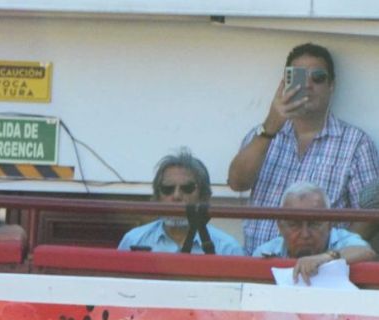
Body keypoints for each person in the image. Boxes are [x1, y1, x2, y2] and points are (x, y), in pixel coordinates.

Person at [227, 42, 379, 254]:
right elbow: (237, 182)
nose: (307, 85)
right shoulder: (261, 134)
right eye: (298, 77)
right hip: (260, 263)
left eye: (317, 78)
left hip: (322, 273)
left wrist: (333, 256)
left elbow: (371, 214)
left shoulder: (357, 143)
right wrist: (270, 126)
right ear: (285, 84)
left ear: (331, 86)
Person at [118, 150, 245, 255]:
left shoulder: (227, 249)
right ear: (157, 198)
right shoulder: (134, 240)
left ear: (203, 197)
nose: (177, 196)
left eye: (187, 189)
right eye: (167, 189)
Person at [252, 180, 377, 283]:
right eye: (294, 225)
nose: (305, 234)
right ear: (280, 226)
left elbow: (366, 252)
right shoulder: (265, 252)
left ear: (329, 223)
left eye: (314, 224)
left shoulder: (342, 239)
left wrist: (325, 258)